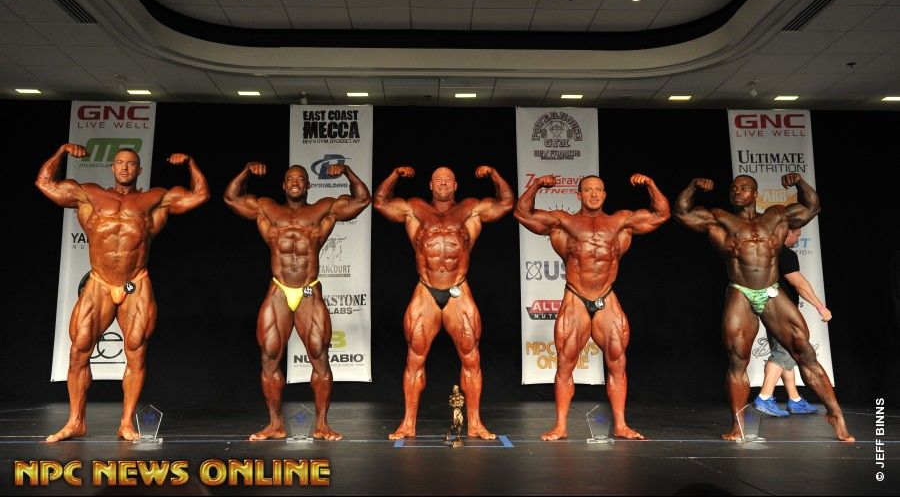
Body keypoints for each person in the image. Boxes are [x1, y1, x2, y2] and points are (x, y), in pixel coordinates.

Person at [35, 144, 209, 442]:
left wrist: (191, 162)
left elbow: (200, 195)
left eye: (130, 163)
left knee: (136, 351)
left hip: (135, 282)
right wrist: (61, 152)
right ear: (112, 168)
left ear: (139, 169)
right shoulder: (89, 194)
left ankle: (126, 423)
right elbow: (44, 183)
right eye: (120, 163)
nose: (125, 167)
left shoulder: (154, 198)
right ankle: (76, 421)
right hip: (100, 282)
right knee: (79, 350)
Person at [673, 173, 853, 441]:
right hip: (741, 292)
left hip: (771, 291)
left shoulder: (776, 216)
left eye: (744, 187)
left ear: (755, 193)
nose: (737, 191)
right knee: (738, 360)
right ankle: (738, 425)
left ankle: (835, 414)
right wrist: (693, 185)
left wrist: (800, 182)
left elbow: (812, 206)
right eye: (734, 187)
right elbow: (682, 213)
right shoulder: (720, 218)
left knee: (803, 350)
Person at [515, 173, 670, 440]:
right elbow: (522, 213)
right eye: (588, 190)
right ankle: (560, 426)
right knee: (565, 363)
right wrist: (537, 185)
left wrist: (650, 184)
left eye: (598, 189)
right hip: (576, 296)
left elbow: (661, 214)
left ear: (605, 194)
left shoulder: (620, 221)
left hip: (606, 297)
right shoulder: (564, 221)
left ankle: (620, 425)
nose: (594, 194)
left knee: (618, 362)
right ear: (579, 195)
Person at [224, 161, 371, 441]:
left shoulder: (324, 209)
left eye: (301, 179)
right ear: (283, 185)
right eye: (290, 178)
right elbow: (231, 198)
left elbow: (362, 200)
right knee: (269, 356)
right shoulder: (267, 208)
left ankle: (322, 425)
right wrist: (245, 171)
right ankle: (275, 425)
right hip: (279, 289)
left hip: (308, 290)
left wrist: (347, 172)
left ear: (308, 185)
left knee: (319, 354)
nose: (295, 182)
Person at [373, 165, 514, 440]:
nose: (443, 183)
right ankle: (408, 424)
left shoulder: (470, 209)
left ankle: (475, 424)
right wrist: (394, 175)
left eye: (448, 180)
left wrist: (495, 174)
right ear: (430, 185)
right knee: (414, 357)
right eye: (438, 180)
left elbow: (507, 203)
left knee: (471, 357)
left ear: (455, 185)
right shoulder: (415, 208)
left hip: (458, 289)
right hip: (425, 291)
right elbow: (380, 203)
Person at [753, 227, 833, 417]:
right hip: (782, 311)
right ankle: (764, 396)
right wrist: (820, 307)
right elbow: (799, 284)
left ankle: (795, 399)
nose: (798, 239)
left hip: (767, 308)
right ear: (787, 232)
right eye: (797, 235)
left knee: (785, 353)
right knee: (782, 353)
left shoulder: (765, 251)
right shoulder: (785, 253)